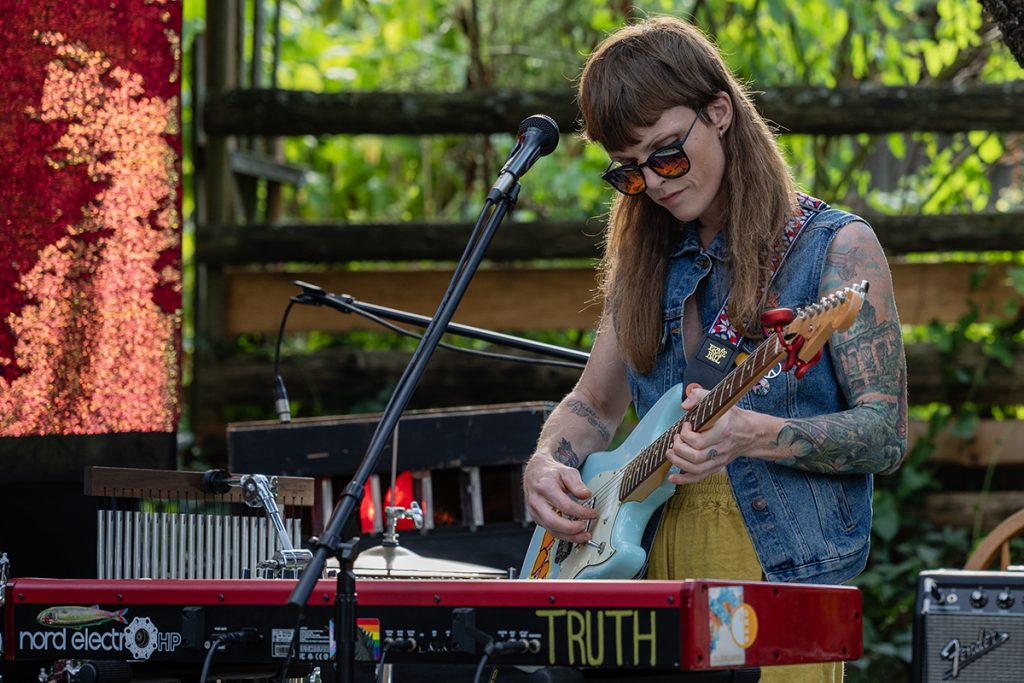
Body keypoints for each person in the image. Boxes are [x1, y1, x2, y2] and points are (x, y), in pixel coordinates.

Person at [521, 15, 907, 683]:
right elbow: (593, 403)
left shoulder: (834, 249)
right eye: (632, 173)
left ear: (720, 111)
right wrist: (547, 459)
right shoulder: (646, 260)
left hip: (773, 582)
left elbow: (887, 434)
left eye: (667, 153)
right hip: (639, 568)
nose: (658, 182)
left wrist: (751, 432)